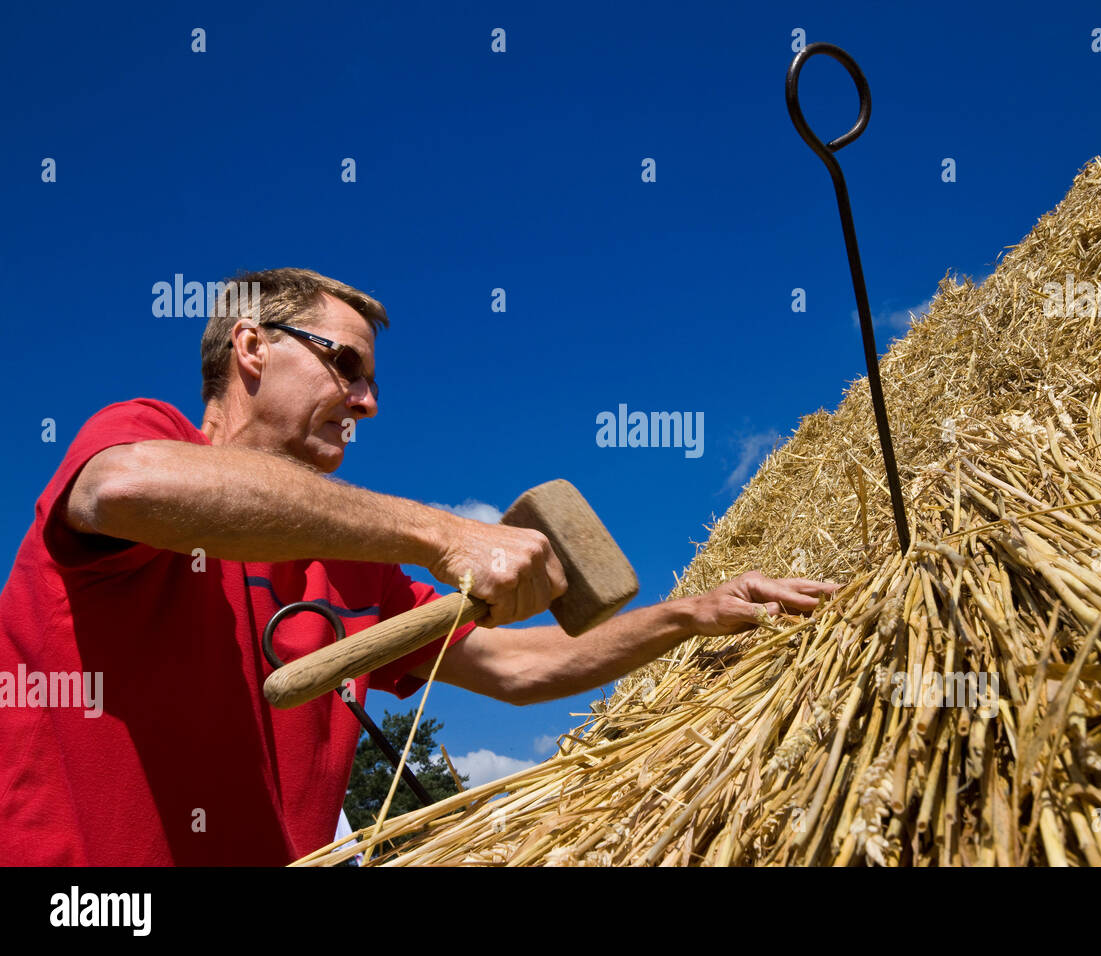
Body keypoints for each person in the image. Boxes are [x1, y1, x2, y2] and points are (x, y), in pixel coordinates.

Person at [0, 267, 837, 865]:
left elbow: (511, 665)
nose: (369, 402)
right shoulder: (146, 439)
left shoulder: (349, 568)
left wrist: (691, 613)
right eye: (346, 365)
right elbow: (128, 487)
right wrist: (444, 535)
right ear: (252, 346)